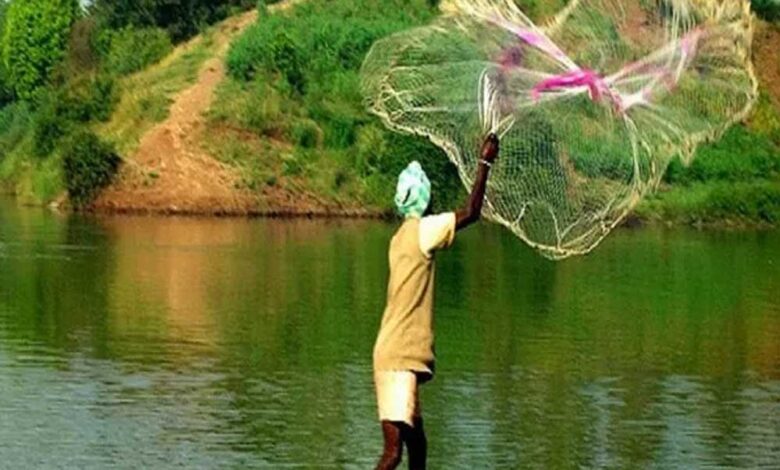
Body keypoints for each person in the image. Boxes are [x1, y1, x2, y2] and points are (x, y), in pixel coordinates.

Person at [373, 133, 500, 470]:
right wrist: (485, 163)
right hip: (399, 357)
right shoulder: (423, 231)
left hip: (392, 352)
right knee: (393, 453)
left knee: (418, 446)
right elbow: (471, 212)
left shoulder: (399, 237)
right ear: (425, 200)